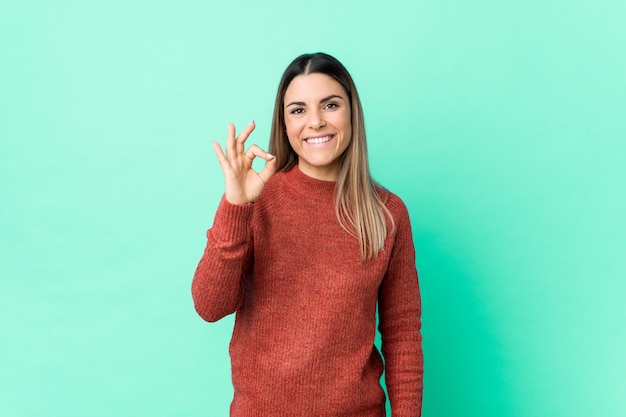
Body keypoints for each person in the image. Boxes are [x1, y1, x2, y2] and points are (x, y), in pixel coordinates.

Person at [192, 52, 423, 417]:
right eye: (298, 110)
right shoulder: (258, 199)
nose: (315, 122)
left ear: (352, 113)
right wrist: (235, 206)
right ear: (284, 124)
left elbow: (402, 334)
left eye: (330, 105)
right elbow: (209, 306)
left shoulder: (387, 214)